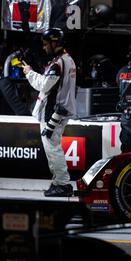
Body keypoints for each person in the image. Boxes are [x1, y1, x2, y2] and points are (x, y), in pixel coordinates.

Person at [23, 28, 76, 197]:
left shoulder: (58, 63)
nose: (44, 48)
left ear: (55, 43)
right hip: (59, 111)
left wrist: (29, 73)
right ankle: (59, 182)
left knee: (53, 149)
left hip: (53, 113)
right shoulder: (67, 60)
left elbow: (44, 85)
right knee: (53, 148)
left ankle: (62, 183)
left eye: (46, 44)